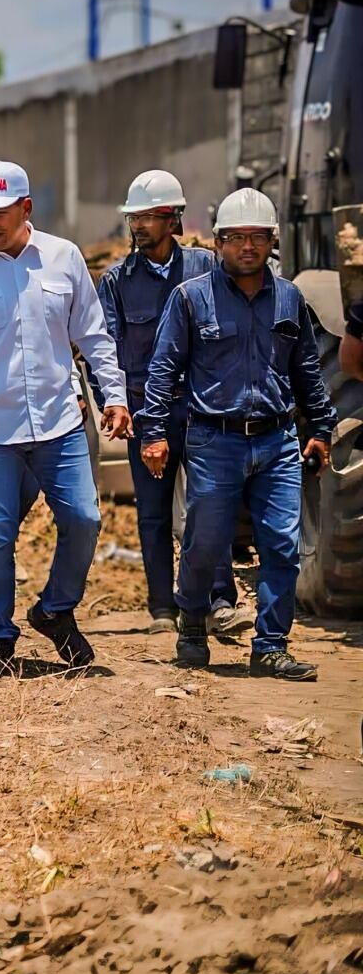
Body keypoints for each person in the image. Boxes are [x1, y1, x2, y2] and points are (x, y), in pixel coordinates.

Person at [0, 161, 132, 678]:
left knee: (84, 518)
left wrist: (114, 395)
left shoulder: (64, 258)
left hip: (58, 423)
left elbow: (94, 336)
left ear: (26, 208)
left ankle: (55, 610)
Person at [139, 187, 337, 681]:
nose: (247, 246)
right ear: (219, 243)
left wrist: (323, 427)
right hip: (214, 440)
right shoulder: (191, 298)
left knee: (282, 545)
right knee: (205, 542)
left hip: (277, 441)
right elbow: (163, 370)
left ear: (272, 241)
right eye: (236, 238)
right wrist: (153, 433)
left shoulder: (290, 297)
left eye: (257, 237)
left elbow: (307, 370)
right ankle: (191, 623)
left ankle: (270, 645)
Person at [97, 170, 249, 637]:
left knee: (211, 505)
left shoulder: (207, 270)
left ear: (173, 219)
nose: (138, 226)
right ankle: (164, 608)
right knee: (154, 511)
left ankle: (220, 602)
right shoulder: (118, 282)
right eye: (134, 217)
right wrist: (114, 402)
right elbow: (104, 348)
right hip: (149, 413)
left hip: (206, 412)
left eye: (148, 216)